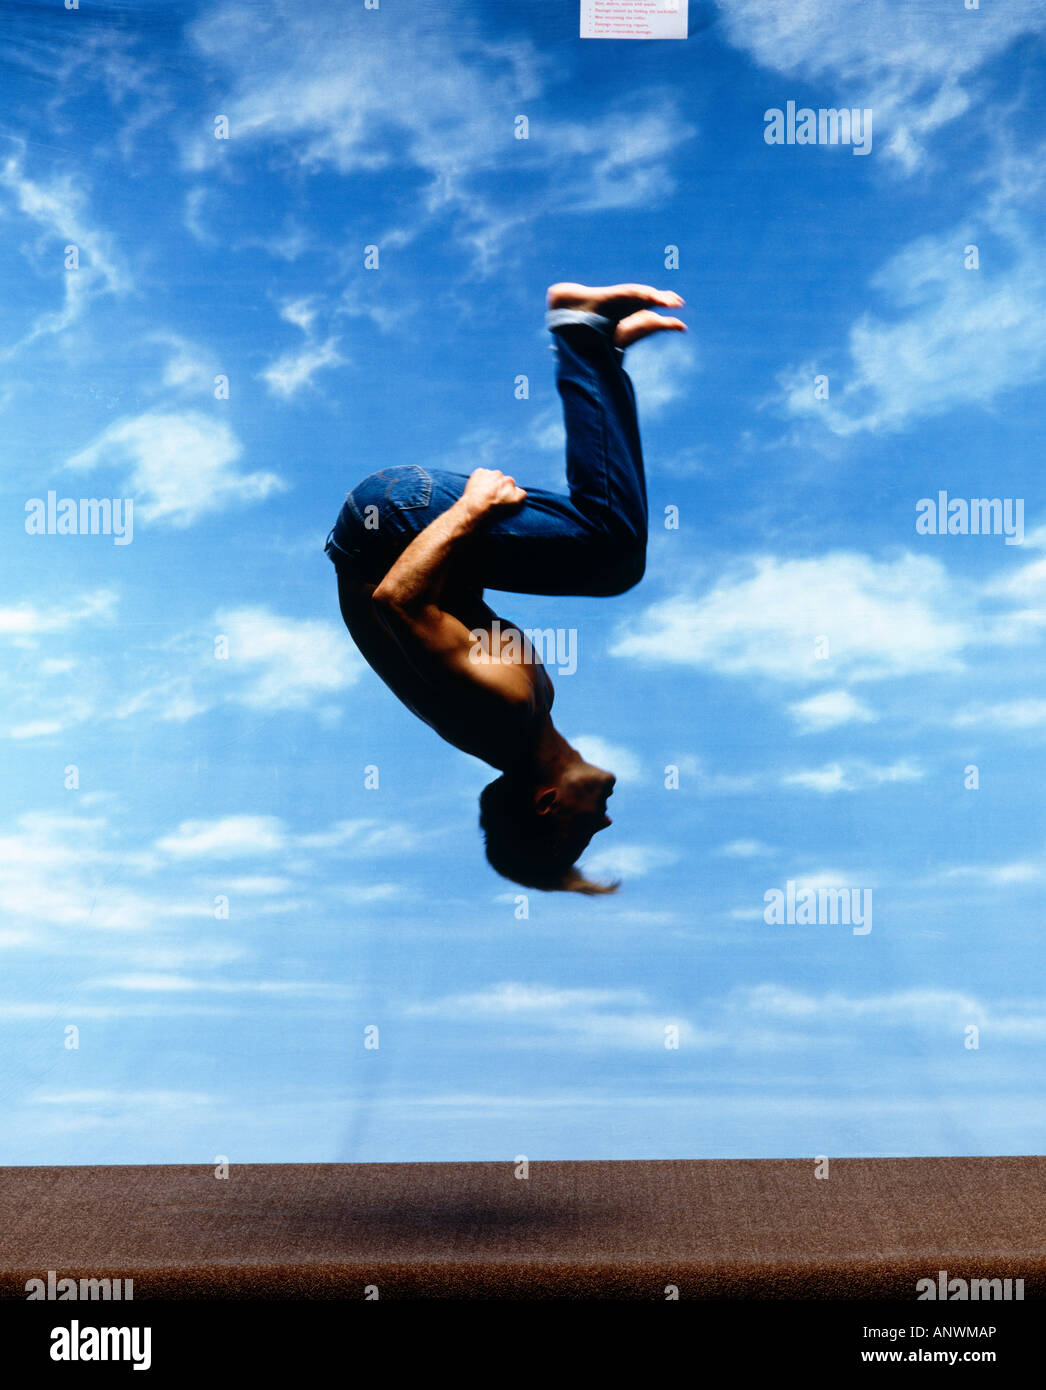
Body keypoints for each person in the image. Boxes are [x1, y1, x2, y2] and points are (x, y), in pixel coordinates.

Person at [324, 283, 686, 893]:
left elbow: (396, 601)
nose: (607, 820)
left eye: (586, 833)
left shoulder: (503, 713)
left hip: (393, 520)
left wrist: (470, 511)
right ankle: (594, 347)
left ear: (546, 805)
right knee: (607, 554)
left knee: (613, 553)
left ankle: (581, 333)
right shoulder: (523, 717)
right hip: (394, 525)